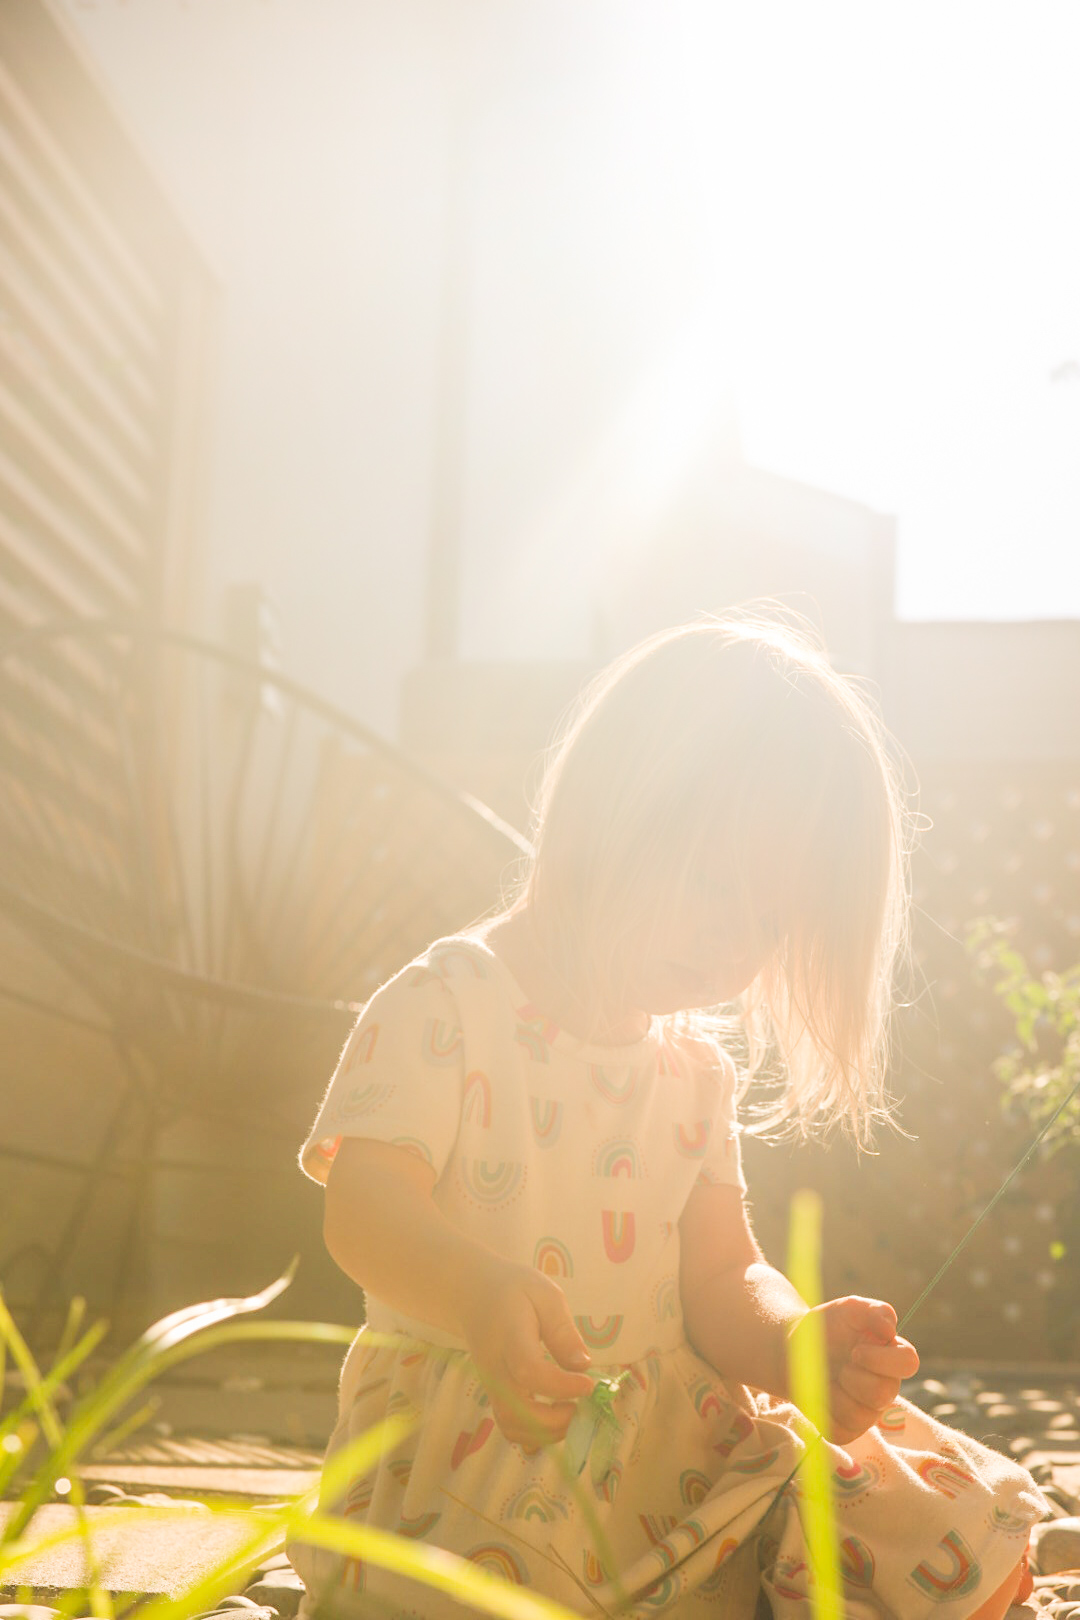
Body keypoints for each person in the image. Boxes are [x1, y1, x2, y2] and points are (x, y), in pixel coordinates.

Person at [288, 611, 1046, 1619]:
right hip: (495, 1450)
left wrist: (792, 1347)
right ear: (611, 809)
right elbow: (364, 1206)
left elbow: (722, 1273)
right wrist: (475, 1292)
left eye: (770, 920)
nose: (731, 941)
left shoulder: (693, 1070)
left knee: (953, 1532)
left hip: (679, 1456)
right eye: (711, 885)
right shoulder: (450, 1003)